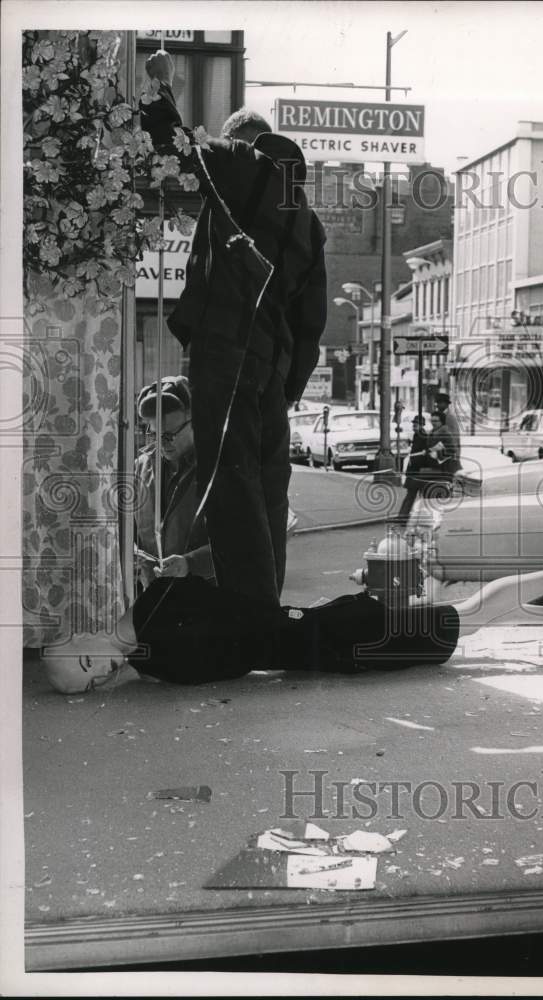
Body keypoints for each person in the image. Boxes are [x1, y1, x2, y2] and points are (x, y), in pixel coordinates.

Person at [140, 50, 327, 607]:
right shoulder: (307, 220)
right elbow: (310, 324)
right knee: (268, 490)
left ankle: (242, 616)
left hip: (226, 355)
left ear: (239, 139)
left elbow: (174, 144)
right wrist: (283, 389)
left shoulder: (241, 162)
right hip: (271, 371)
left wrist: (160, 84)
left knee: (229, 487)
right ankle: (264, 607)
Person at [41, 545, 543, 693]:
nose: (102, 673)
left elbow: (242, 623)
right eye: (92, 681)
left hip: (339, 636)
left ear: (80, 634)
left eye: (87, 661)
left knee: (466, 618)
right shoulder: (154, 647)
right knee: (461, 622)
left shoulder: (159, 612)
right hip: (331, 641)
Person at [134, 376, 215, 591]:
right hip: (152, 595)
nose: (161, 443)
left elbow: (242, 543)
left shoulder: (218, 471)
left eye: (169, 435)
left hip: (202, 599)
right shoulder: (141, 466)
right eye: (154, 434)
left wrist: (190, 563)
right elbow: (128, 527)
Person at [396, 414, 428, 525]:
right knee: (413, 495)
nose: (414, 425)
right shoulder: (418, 435)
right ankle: (403, 517)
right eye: (414, 423)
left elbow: (419, 455)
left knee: (412, 495)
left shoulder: (421, 435)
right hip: (415, 469)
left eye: (417, 423)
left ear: (422, 425)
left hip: (417, 470)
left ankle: (403, 517)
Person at [433, 391, 462, 473]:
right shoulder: (441, 415)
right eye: (437, 403)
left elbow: (453, 438)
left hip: (448, 455)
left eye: (440, 403)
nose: (437, 405)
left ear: (446, 404)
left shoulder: (449, 417)